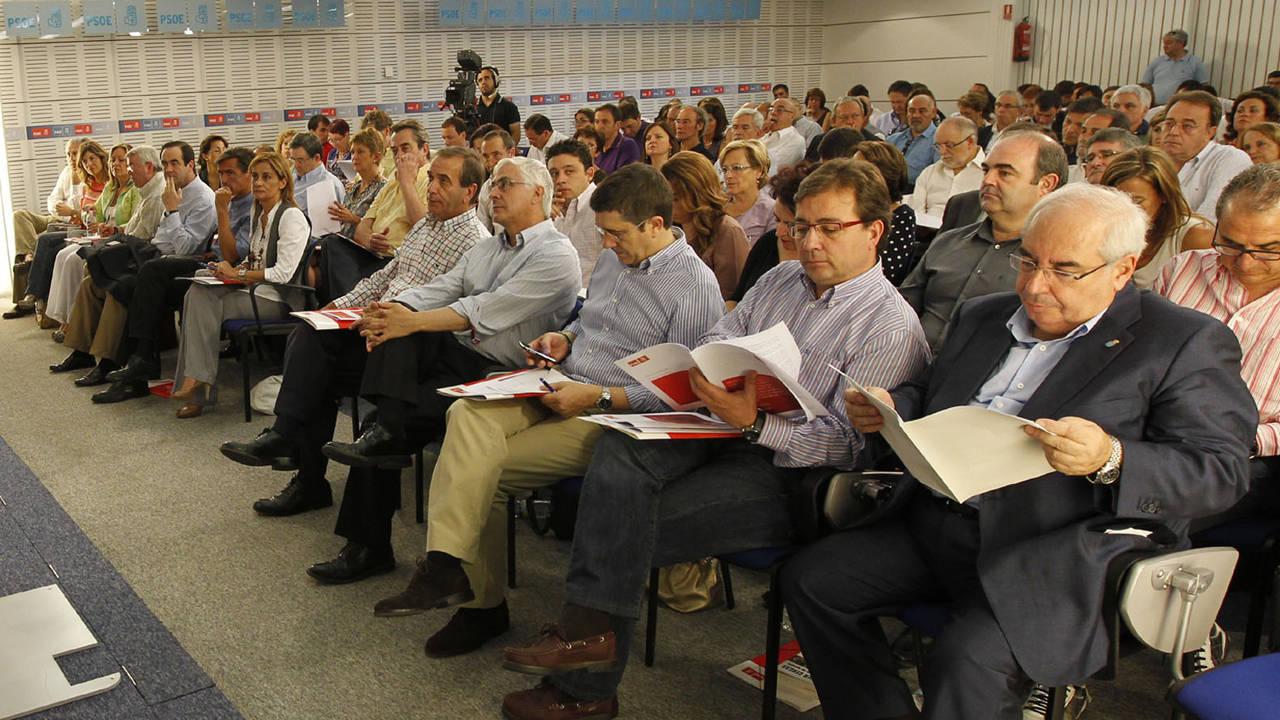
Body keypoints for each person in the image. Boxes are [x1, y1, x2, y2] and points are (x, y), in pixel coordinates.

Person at [783, 182, 1255, 720]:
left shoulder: (1182, 341)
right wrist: (894, 407)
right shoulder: (985, 316)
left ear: (1123, 270)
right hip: (940, 519)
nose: (1035, 285)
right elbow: (936, 394)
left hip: (1052, 545)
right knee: (813, 582)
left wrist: (1111, 458)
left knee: (967, 661)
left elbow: (1219, 472)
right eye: (1028, 261)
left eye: (1065, 270)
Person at [499, 158, 932, 720]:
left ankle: (587, 679)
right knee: (622, 448)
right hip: (718, 424)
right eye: (800, 226)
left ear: (874, 231)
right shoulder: (781, 278)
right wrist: (709, 370)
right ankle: (588, 651)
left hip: (785, 469)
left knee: (626, 521)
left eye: (830, 228)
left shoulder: (889, 326)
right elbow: (722, 334)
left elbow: (848, 450)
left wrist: (757, 422)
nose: (809, 241)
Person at [365, 163, 725, 660]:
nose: (608, 244)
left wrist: (595, 398)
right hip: (562, 378)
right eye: (603, 233)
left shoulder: (693, 286)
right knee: (467, 413)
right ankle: (445, 565)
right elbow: (590, 323)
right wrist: (565, 337)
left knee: (480, 473)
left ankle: (480, 607)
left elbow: (683, 394)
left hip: (611, 412)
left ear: (657, 225)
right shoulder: (613, 258)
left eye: (617, 234)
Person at [218, 147, 489, 518]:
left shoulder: (475, 241)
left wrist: (383, 315)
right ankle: (294, 451)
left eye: (444, 181)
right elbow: (384, 277)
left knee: (322, 366)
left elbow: (447, 310)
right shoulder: (426, 224)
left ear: (469, 192)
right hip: (379, 330)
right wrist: (337, 306)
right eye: (433, 178)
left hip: (414, 346)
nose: (433, 188)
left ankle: (293, 449)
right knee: (312, 334)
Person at [1154, 164, 1280, 528]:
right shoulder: (1184, 270)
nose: (1246, 262)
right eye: (1231, 244)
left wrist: (1243, 439)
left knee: (1148, 518)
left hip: (1246, 455)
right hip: (1154, 433)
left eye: (1268, 250)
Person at [97, 148, 258, 402]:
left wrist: (177, 211)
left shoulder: (228, 203)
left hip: (225, 271)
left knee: (147, 274)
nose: (224, 180)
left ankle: (141, 362)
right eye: (221, 173)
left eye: (230, 173)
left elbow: (232, 255)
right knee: (131, 283)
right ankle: (135, 364)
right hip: (203, 263)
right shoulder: (226, 200)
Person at [168, 152, 310, 418]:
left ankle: (199, 385)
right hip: (255, 290)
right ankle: (198, 380)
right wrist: (229, 271)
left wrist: (239, 274)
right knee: (198, 287)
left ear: (282, 182)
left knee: (202, 300)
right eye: (255, 176)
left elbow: (283, 273)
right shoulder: (260, 212)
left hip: (280, 299)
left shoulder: (291, 216)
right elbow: (254, 261)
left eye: (267, 177)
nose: (258, 183)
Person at [899, 128, 1067, 350]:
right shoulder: (949, 241)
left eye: (1004, 173)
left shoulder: (1055, 263)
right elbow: (901, 309)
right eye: (986, 170)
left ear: (1046, 184)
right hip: (906, 364)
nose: (988, 180)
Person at [1102, 146, 1215, 288]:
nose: (1125, 209)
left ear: (1164, 195)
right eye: (1117, 200)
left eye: (1137, 201)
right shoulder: (1101, 231)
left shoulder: (1195, 236)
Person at [6, 139, 82, 319]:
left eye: (75, 153)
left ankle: (22, 301)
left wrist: (68, 211)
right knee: (19, 216)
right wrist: (59, 208)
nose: (71, 158)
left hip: (72, 221)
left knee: (44, 238)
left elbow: (81, 208)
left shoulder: (86, 174)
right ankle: (28, 253)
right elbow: (52, 200)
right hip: (56, 217)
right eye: (69, 154)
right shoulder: (66, 172)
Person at [660, 151, 750, 300]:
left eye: (675, 199)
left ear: (697, 194)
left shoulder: (728, 231)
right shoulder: (670, 228)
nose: (668, 205)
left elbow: (731, 298)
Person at [1160, 90, 1252, 222]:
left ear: (1210, 132)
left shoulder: (1230, 158)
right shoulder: (1149, 159)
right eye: (1169, 123)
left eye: (1187, 126)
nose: (1174, 132)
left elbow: (1209, 222)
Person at [728, 163, 813, 307]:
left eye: (791, 225)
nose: (779, 232)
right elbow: (736, 298)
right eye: (777, 220)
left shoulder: (819, 259)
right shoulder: (768, 243)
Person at [854, 142, 918, 286]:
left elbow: (888, 272)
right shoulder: (846, 210)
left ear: (884, 177)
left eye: (859, 171)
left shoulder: (902, 216)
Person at [546, 139, 602, 286]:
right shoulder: (549, 212)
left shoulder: (603, 208)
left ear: (589, 174)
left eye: (569, 171)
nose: (560, 180)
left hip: (592, 299)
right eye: (554, 173)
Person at [908, 117, 986, 218]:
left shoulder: (988, 174)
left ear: (970, 142)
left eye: (949, 145)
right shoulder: (930, 173)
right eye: (939, 146)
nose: (942, 152)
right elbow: (916, 213)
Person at [325, 128, 388, 240]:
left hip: (363, 250)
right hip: (342, 243)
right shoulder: (355, 187)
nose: (354, 157)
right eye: (353, 152)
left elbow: (382, 228)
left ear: (376, 156)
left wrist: (354, 219)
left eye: (360, 152)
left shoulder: (383, 188)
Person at [719, 139, 775, 245]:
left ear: (759, 171)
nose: (728, 176)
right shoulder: (717, 205)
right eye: (725, 169)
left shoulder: (771, 211)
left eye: (737, 168)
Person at [887, 92, 942, 189]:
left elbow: (938, 177)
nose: (916, 115)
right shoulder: (892, 140)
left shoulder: (939, 140)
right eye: (912, 111)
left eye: (922, 111)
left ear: (933, 112)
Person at [1142, 29, 1211, 104]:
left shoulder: (1195, 62)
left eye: (1169, 43)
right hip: (1155, 105)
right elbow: (1145, 85)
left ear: (1181, 43)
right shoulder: (1157, 62)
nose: (1165, 46)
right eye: (1164, 43)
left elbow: (1204, 86)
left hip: (1180, 106)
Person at [287, 131, 346, 220]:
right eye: (293, 160)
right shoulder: (291, 178)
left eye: (300, 160)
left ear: (317, 158)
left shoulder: (330, 185)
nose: (296, 165)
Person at [760, 98, 807, 174]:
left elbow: (772, 167)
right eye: (771, 109)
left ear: (791, 116)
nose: (773, 113)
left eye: (780, 110)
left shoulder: (796, 140)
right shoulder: (763, 135)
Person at [593, 103, 641, 174]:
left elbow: (625, 180)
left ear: (617, 125)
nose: (599, 127)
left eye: (605, 122)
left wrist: (599, 175)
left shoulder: (627, 146)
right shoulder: (595, 147)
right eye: (597, 122)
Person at [475, 66, 520, 139]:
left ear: (495, 81)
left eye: (487, 78)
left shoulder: (508, 106)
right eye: (480, 80)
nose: (483, 82)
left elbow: (516, 134)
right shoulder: (474, 108)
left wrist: (507, 150)